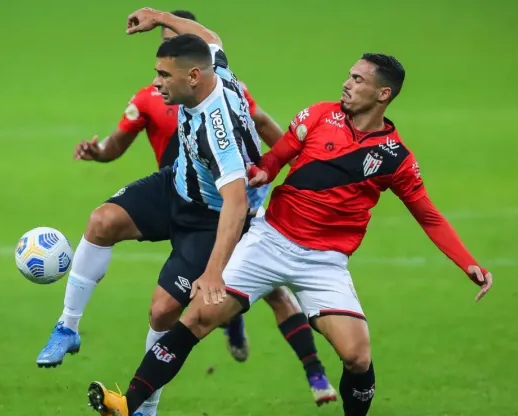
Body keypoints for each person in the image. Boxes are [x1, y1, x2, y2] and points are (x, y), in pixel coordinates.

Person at [86, 52, 494, 416]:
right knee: (196, 318)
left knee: (356, 356)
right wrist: (263, 170)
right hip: (269, 240)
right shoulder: (317, 115)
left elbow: (428, 215)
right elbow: (279, 154)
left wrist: (469, 263)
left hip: (324, 262)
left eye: (358, 80)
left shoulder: (395, 158)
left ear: (383, 94)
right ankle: (128, 405)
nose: (346, 84)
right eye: (349, 76)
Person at [39, 7, 337, 416]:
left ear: (193, 77)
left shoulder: (217, 132)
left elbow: (234, 201)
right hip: (176, 185)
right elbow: (209, 34)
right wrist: (157, 15)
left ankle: (146, 406)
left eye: (164, 76)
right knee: (101, 221)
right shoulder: (214, 69)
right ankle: (67, 327)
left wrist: (213, 271)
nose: (156, 83)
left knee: (163, 310)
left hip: (210, 220)